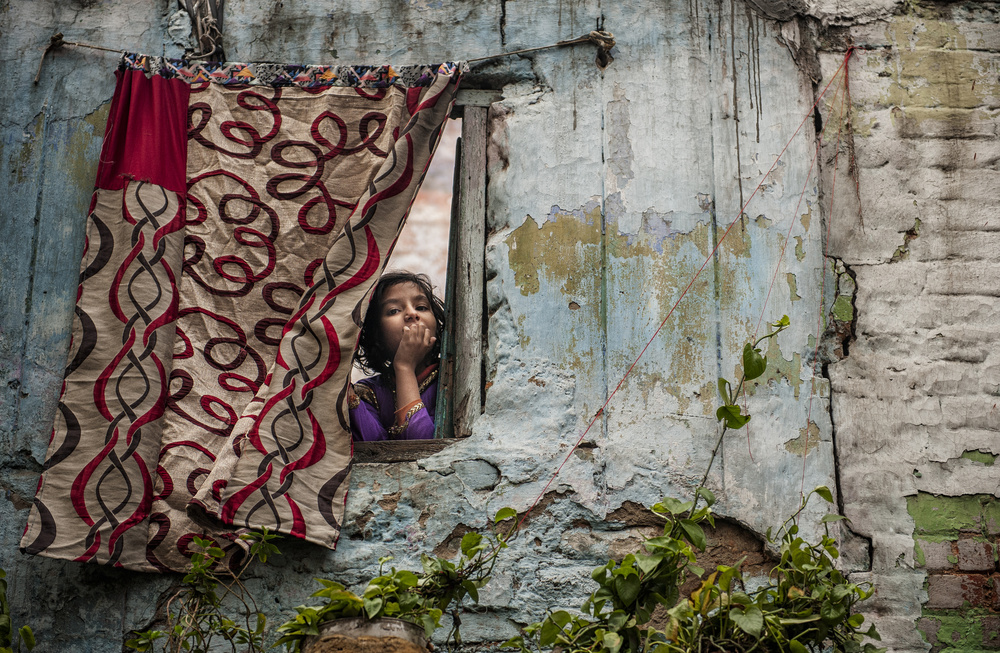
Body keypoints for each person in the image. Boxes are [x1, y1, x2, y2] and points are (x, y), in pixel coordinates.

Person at [349, 271, 445, 441]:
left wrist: (405, 366)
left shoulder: (450, 380)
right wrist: (404, 367)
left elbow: (423, 446)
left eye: (421, 307)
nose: (411, 314)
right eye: (394, 311)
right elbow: (372, 449)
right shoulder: (369, 392)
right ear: (376, 335)